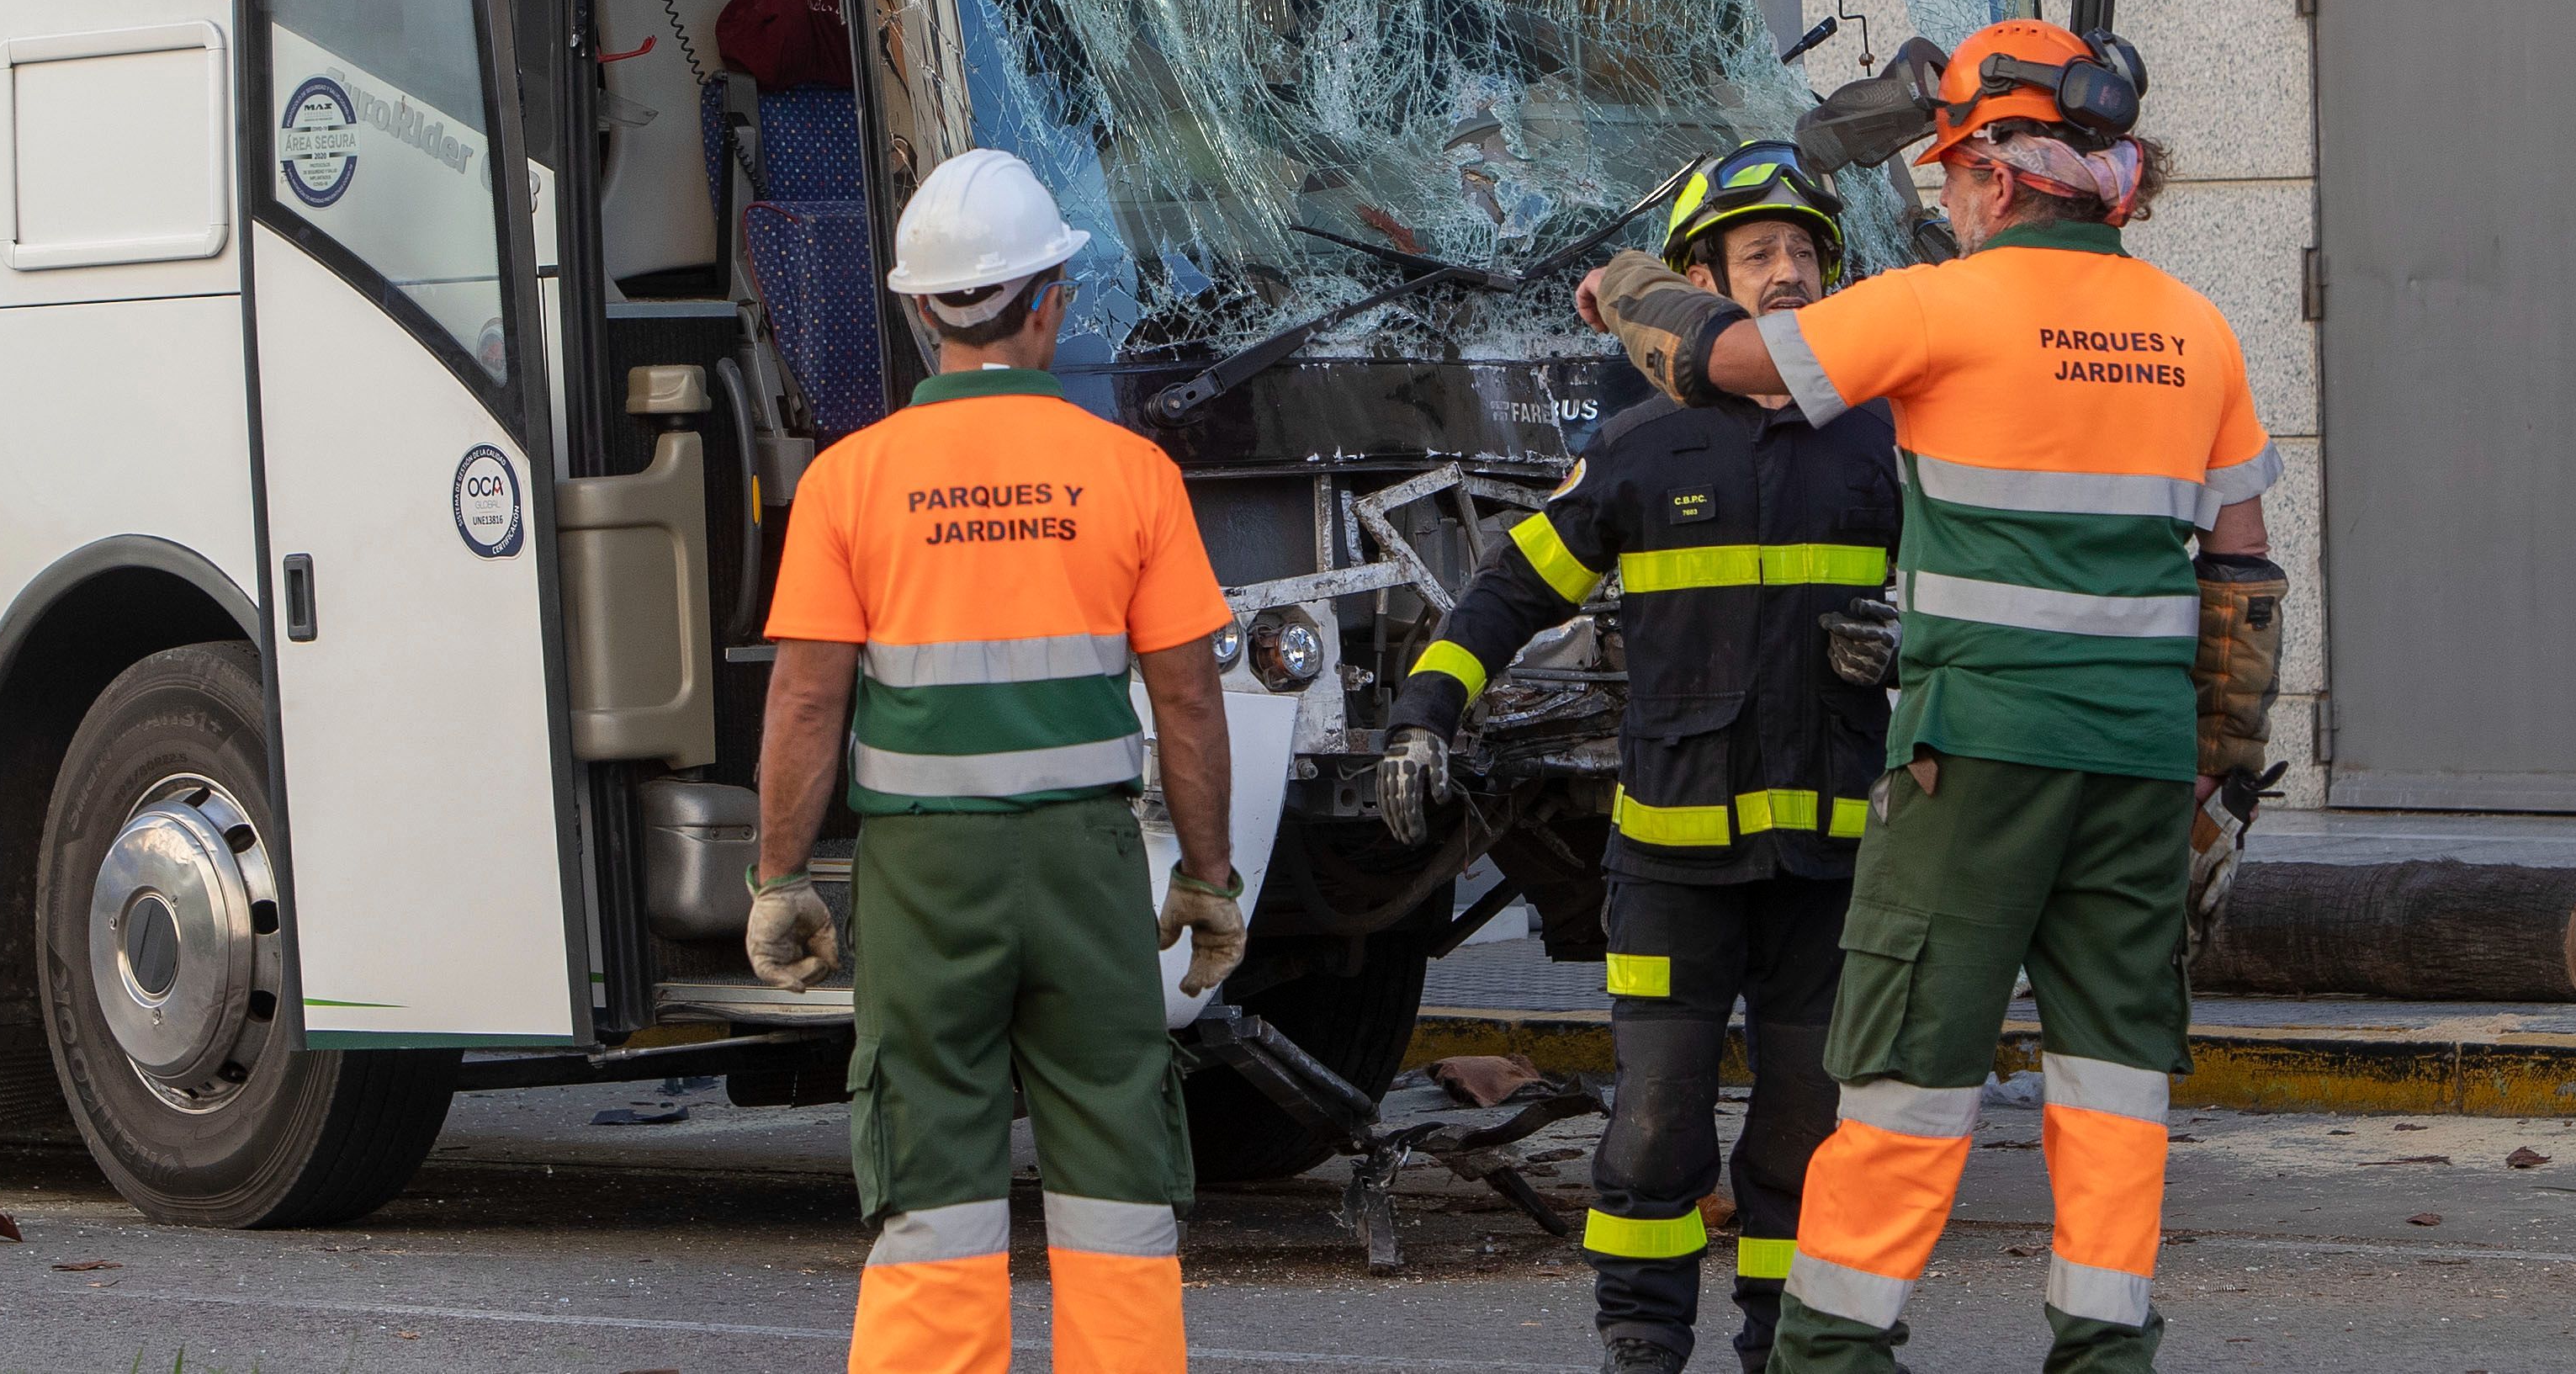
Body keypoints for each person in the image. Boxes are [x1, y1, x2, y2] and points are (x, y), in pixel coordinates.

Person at [1572, 24, 2286, 1374]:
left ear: (1999, 180)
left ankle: (1833, 1353)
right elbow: (2243, 574)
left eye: (1952, 174)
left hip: (1973, 757)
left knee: (1900, 1069)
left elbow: (1739, 364)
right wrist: (2218, 778)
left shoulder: (1938, 307)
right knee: (2118, 1081)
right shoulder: (2199, 330)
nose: (1946, 202)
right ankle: (2104, 1350)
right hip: (2138, 773)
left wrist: (1626, 286)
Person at [1375, 141, 1901, 1374]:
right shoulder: (1639, 450)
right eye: (1759, 252)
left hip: (1830, 870)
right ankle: (1640, 1346)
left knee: (1805, 1131)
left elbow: (1963, 610)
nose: (1787, 271)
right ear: (1700, 282)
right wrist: (1422, 714)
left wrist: (1911, 645)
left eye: (1805, 250)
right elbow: (1506, 594)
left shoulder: (1883, 443)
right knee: (1656, 1130)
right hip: (1672, 864)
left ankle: (1781, 1347)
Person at [744, 147, 1249, 1374]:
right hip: (1085, 869)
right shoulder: (1133, 473)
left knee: (932, 1193)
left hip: (923, 883)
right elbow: (1186, 696)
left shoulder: (847, 481)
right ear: (1053, 302)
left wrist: (778, 879)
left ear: (921, 312)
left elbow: (809, 698)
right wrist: (1209, 880)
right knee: (1118, 1188)